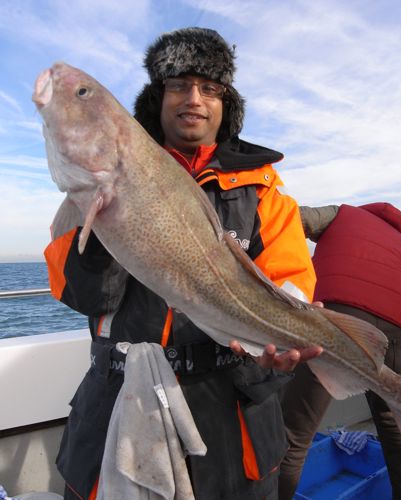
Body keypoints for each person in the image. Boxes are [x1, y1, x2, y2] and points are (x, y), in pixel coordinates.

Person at [44, 27, 320, 500]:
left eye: (209, 88)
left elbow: (290, 281)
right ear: (159, 97)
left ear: (225, 103)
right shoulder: (94, 182)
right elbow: (83, 297)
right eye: (178, 85)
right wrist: (109, 217)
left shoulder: (264, 190)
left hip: (231, 410)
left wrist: (284, 333)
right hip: (118, 399)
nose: (193, 98)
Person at [279, 203, 401, 500]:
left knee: (294, 435)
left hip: (340, 321)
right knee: (391, 423)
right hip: (399, 332)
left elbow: (290, 218)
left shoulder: (343, 214)